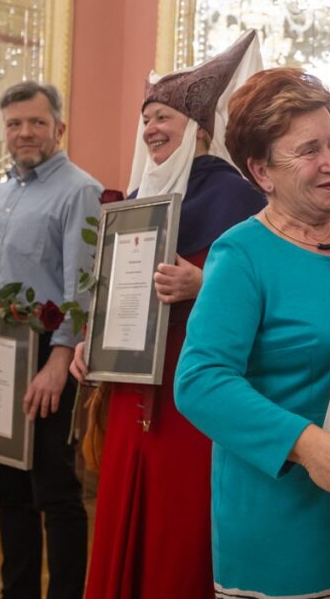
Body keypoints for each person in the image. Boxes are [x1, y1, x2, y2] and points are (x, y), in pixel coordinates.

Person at [174, 67, 330, 598]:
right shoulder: (241, 254)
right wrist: (307, 446)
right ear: (262, 172)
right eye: (308, 151)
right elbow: (199, 381)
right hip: (284, 522)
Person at [69, 30, 267, 599]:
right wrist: (92, 343)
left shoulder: (236, 197)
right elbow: (115, 295)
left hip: (192, 397)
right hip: (134, 394)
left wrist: (204, 282)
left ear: (200, 131)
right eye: (147, 119)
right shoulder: (138, 203)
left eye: (165, 118)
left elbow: (262, 292)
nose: (152, 129)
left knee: (179, 539)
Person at [0, 81, 100, 599]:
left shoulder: (80, 190)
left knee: (54, 493)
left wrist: (59, 361)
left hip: (46, 356)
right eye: (14, 124)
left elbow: (84, 283)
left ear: (58, 127)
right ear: (4, 131)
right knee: (8, 492)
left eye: (36, 122)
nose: (25, 132)